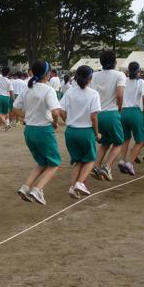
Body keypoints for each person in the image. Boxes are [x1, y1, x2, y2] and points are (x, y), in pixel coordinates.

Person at [13, 60, 63, 205]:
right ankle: (37, 190)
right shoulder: (48, 90)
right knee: (54, 163)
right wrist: (54, 122)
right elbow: (55, 111)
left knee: (42, 162)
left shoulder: (28, 89)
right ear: (47, 74)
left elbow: (15, 108)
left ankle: (25, 187)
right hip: (43, 130)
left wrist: (26, 117)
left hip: (29, 130)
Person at [59, 65, 101, 199]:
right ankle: (80, 183)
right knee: (90, 159)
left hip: (71, 131)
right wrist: (97, 133)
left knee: (78, 161)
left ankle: (72, 187)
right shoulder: (93, 93)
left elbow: (61, 110)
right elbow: (94, 117)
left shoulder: (70, 92)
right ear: (90, 78)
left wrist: (68, 120)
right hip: (86, 131)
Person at [90, 50, 126, 181]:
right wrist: (120, 108)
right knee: (119, 143)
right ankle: (107, 167)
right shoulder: (119, 75)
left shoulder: (94, 75)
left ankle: (96, 166)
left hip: (97, 114)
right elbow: (120, 94)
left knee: (104, 143)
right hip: (111, 112)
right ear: (115, 61)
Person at [117, 62, 144, 176]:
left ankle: (122, 159)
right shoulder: (141, 82)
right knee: (140, 140)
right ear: (139, 71)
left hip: (123, 112)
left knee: (125, 139)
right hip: (135, 112)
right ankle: (130, 163)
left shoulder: (123, 80)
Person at [0, 66, 14, 131]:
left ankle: (6, 124)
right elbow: (11, 91)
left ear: (1, 72)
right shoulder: (9, 81)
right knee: (4, 112)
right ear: (8, 73)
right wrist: (13, 99)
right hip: (6, 97)